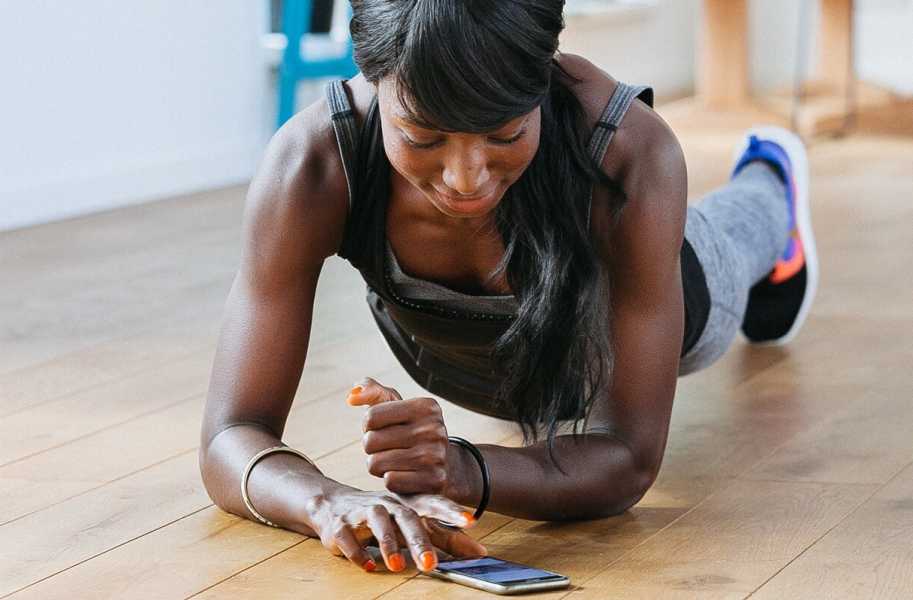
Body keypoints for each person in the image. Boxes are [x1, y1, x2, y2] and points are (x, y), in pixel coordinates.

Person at [199, 0, 818, 576]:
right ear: (373, 81)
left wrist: (464, 468)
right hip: (466, 368)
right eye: (423, 137)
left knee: (742, 233)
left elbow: (627, 458)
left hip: (659, 326)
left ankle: (771, 179)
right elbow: (229, 436)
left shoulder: (631, 150)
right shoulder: (312, 164)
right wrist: (325, 502)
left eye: (503, 135)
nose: (465, 179)